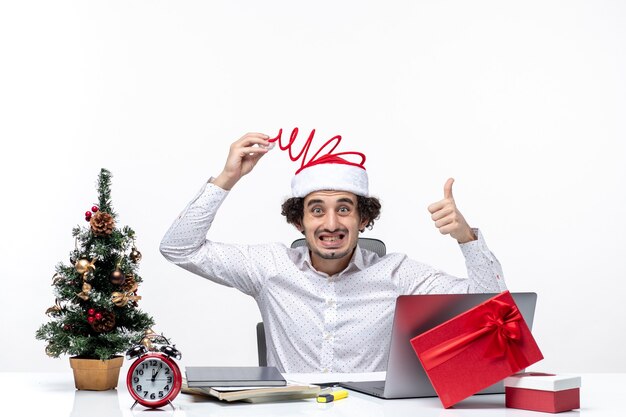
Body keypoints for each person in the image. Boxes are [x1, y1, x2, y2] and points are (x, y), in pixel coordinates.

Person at [160, 130, 507, 373]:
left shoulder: (396, 274)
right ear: (299, 221)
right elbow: (178, 248)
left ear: (363, 219)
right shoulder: (269, 267)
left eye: (344, 209)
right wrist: (227, 177)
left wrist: (466, 238)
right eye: (316, 210)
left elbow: (491, 310)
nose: (330, 223)